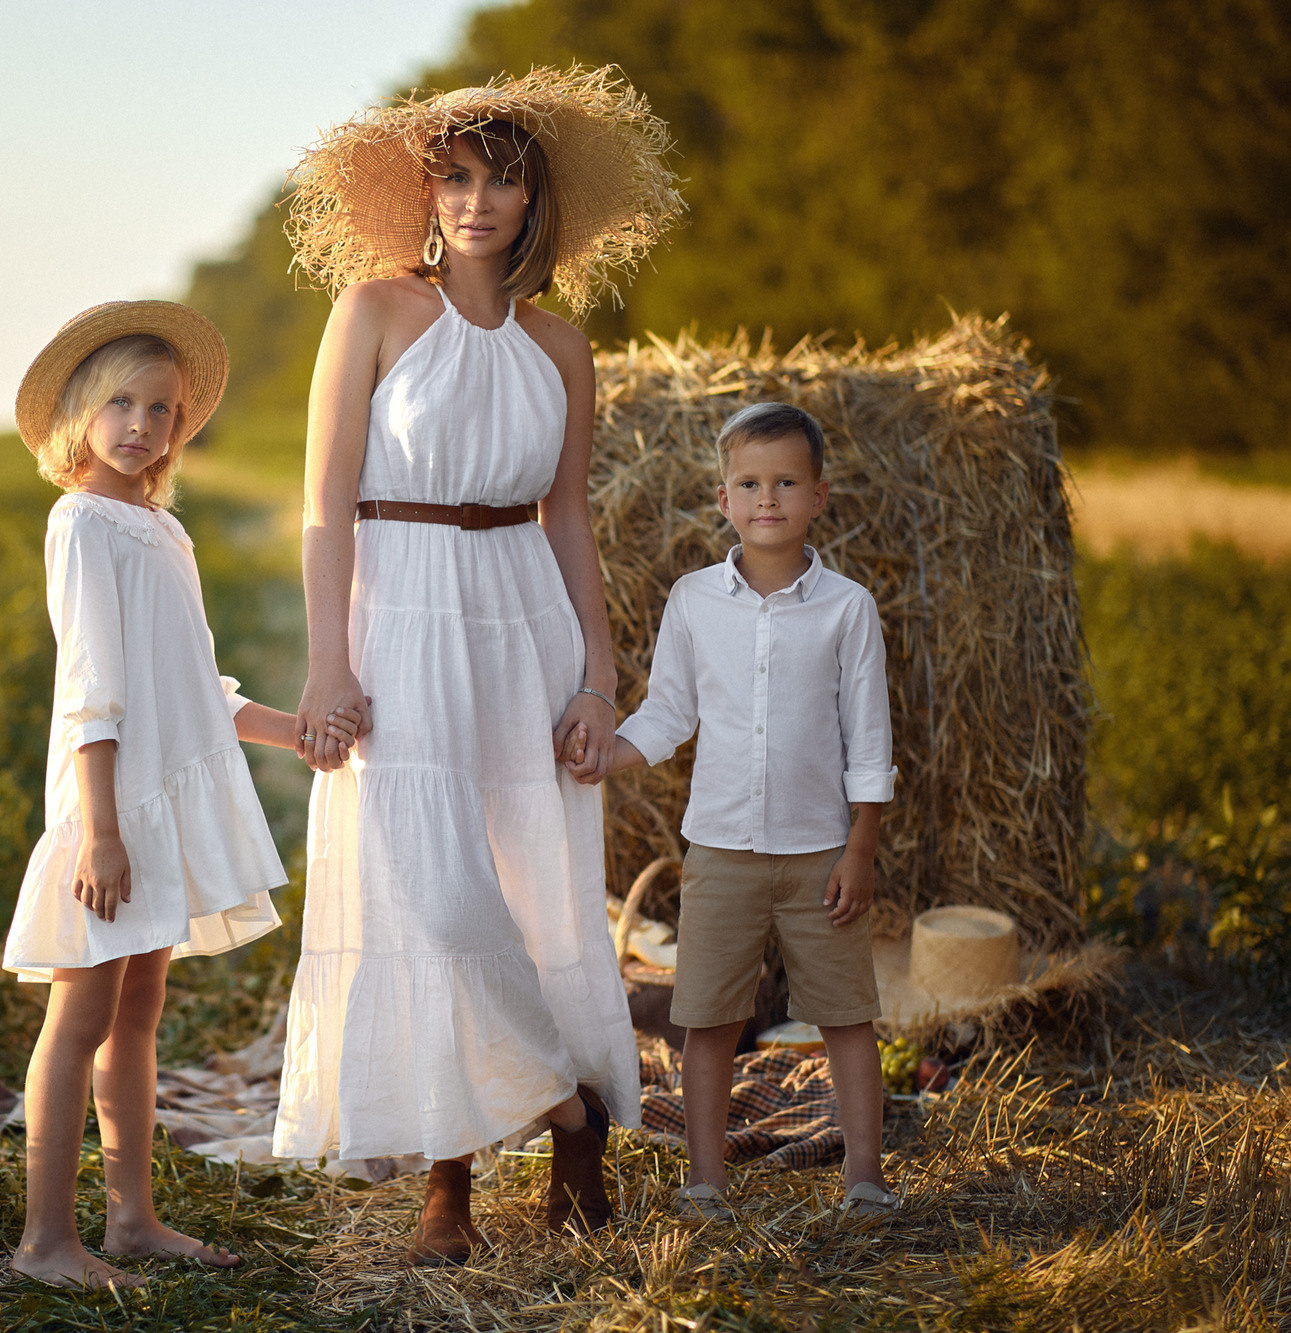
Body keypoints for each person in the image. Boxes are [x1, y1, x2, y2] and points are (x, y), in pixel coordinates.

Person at [272, 67, 684, 1263]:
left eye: (499, 177)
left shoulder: (562, 346)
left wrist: (599, 682)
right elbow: (320, 508)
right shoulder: (372, 312)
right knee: (426, 895)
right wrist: (324, 663)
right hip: (395, 615)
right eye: (453, 176)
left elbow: (568, 522)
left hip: (519, 617)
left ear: (531, 198)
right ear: (425, 193)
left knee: (525, 885)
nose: (475, 200)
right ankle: (563, 1110)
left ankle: (461, 1192)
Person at [1, 301, 359, 1288]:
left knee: (140, 1008)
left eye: (160, 409)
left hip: (158, 796)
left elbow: (193, 682)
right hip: (111, 807)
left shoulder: (158, 526)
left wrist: (292, 731)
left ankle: (130, 1218)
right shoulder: (81, 525)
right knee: (78, 1017)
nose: (140, 426)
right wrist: (100, 833)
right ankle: (44, 1241)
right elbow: (92, 690)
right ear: (75, 411)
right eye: (118, 402)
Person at [578, 401, 901, 1221]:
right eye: (750, 483)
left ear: (819, 497)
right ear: (723, 498)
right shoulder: (693, 601)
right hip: (718, 848)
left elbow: (869, 739)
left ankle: (865, 1177)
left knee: (846, 1016)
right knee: (709, 1018)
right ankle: (705, 1179)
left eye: (787, 482)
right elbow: (669, 710)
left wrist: (860, 847)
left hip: (820, 852)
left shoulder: (847, 608)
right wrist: (610, 751)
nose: (769, 498)